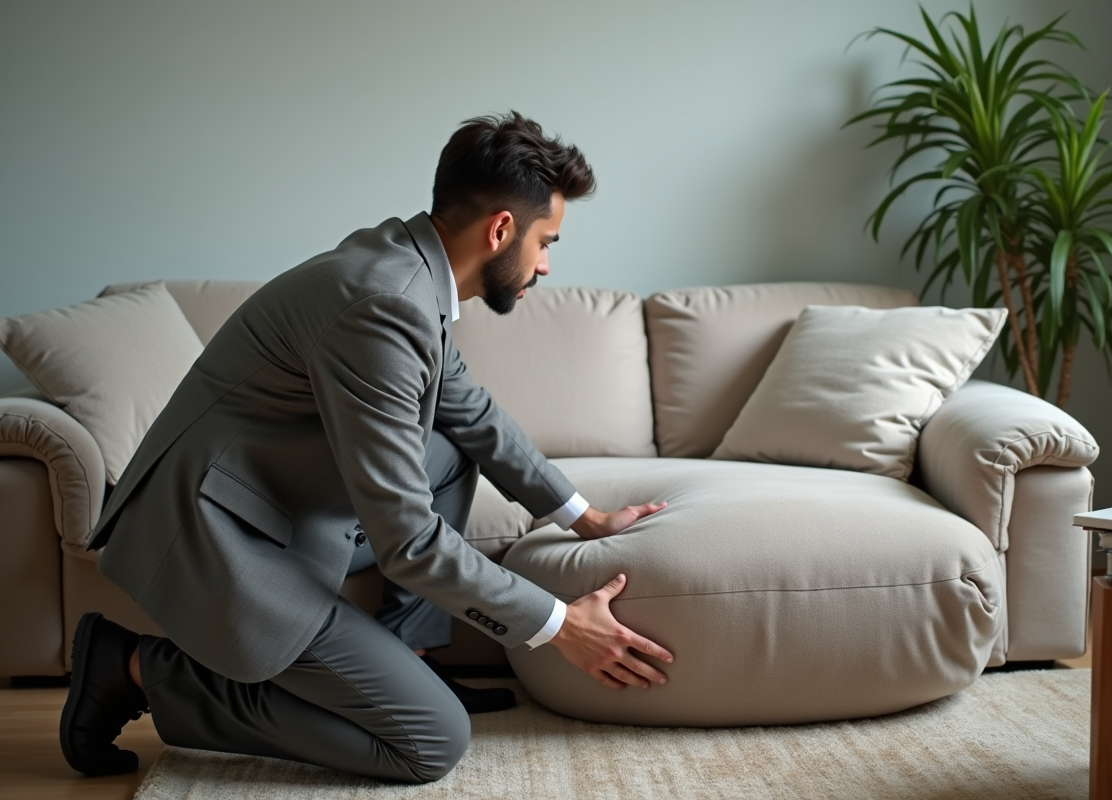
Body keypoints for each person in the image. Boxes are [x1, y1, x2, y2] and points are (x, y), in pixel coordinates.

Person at [60, 112, 673, 784]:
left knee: (450, 444)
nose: (547, 265)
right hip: (218, 535)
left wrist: (583, 518)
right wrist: (559, 625)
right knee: (430, 740)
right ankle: (136, 668)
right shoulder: (385, 302)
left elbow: (470, 413)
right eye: (546, 241)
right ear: (500, 229)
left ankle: (407, 656)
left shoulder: (407, 267)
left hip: (275, 503)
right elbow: (406, 540)